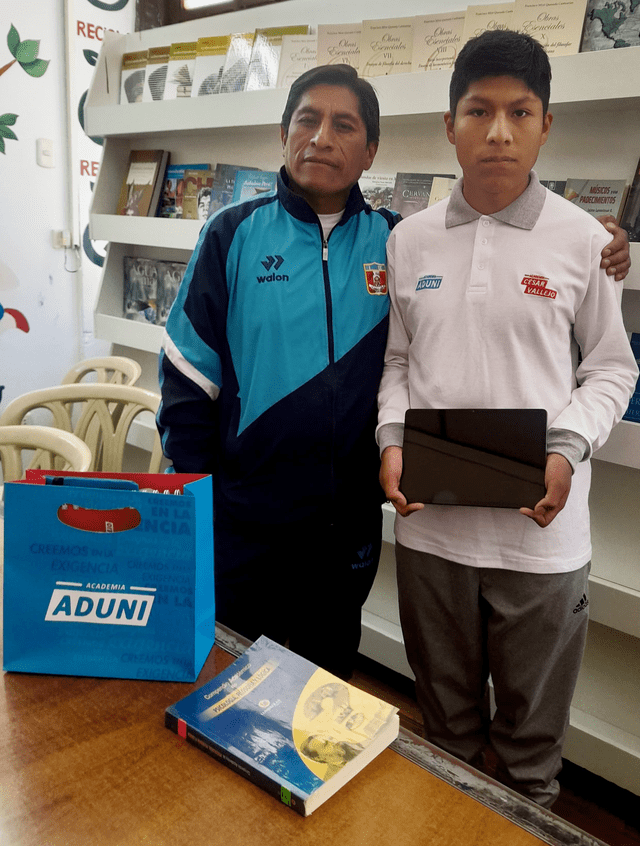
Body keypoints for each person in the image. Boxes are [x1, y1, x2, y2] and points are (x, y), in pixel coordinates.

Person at [157, 64, 630, 683]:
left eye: (344, 125)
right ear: (283, 133)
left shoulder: (395, 240)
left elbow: (478, 264)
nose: (321, 138)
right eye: (307, 120)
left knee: (321, 692)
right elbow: (188, 381)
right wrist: (200, 506)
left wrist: (604, 243)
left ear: (370, 150)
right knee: (226, 685)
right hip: (246, 523)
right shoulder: (232, 235)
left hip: (344, 527)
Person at [376, 30, 638, 808]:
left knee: (532, 758)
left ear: (545, 125)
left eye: (520, 112)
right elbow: (397, 364)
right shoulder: (408, 239)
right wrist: (391, 439)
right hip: (431, 529)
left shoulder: (586, 242)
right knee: (445, 735)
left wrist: (567, 446)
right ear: (449, 124)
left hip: (543, 538)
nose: (498, 131)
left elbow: (611, 367)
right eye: (478, 110)